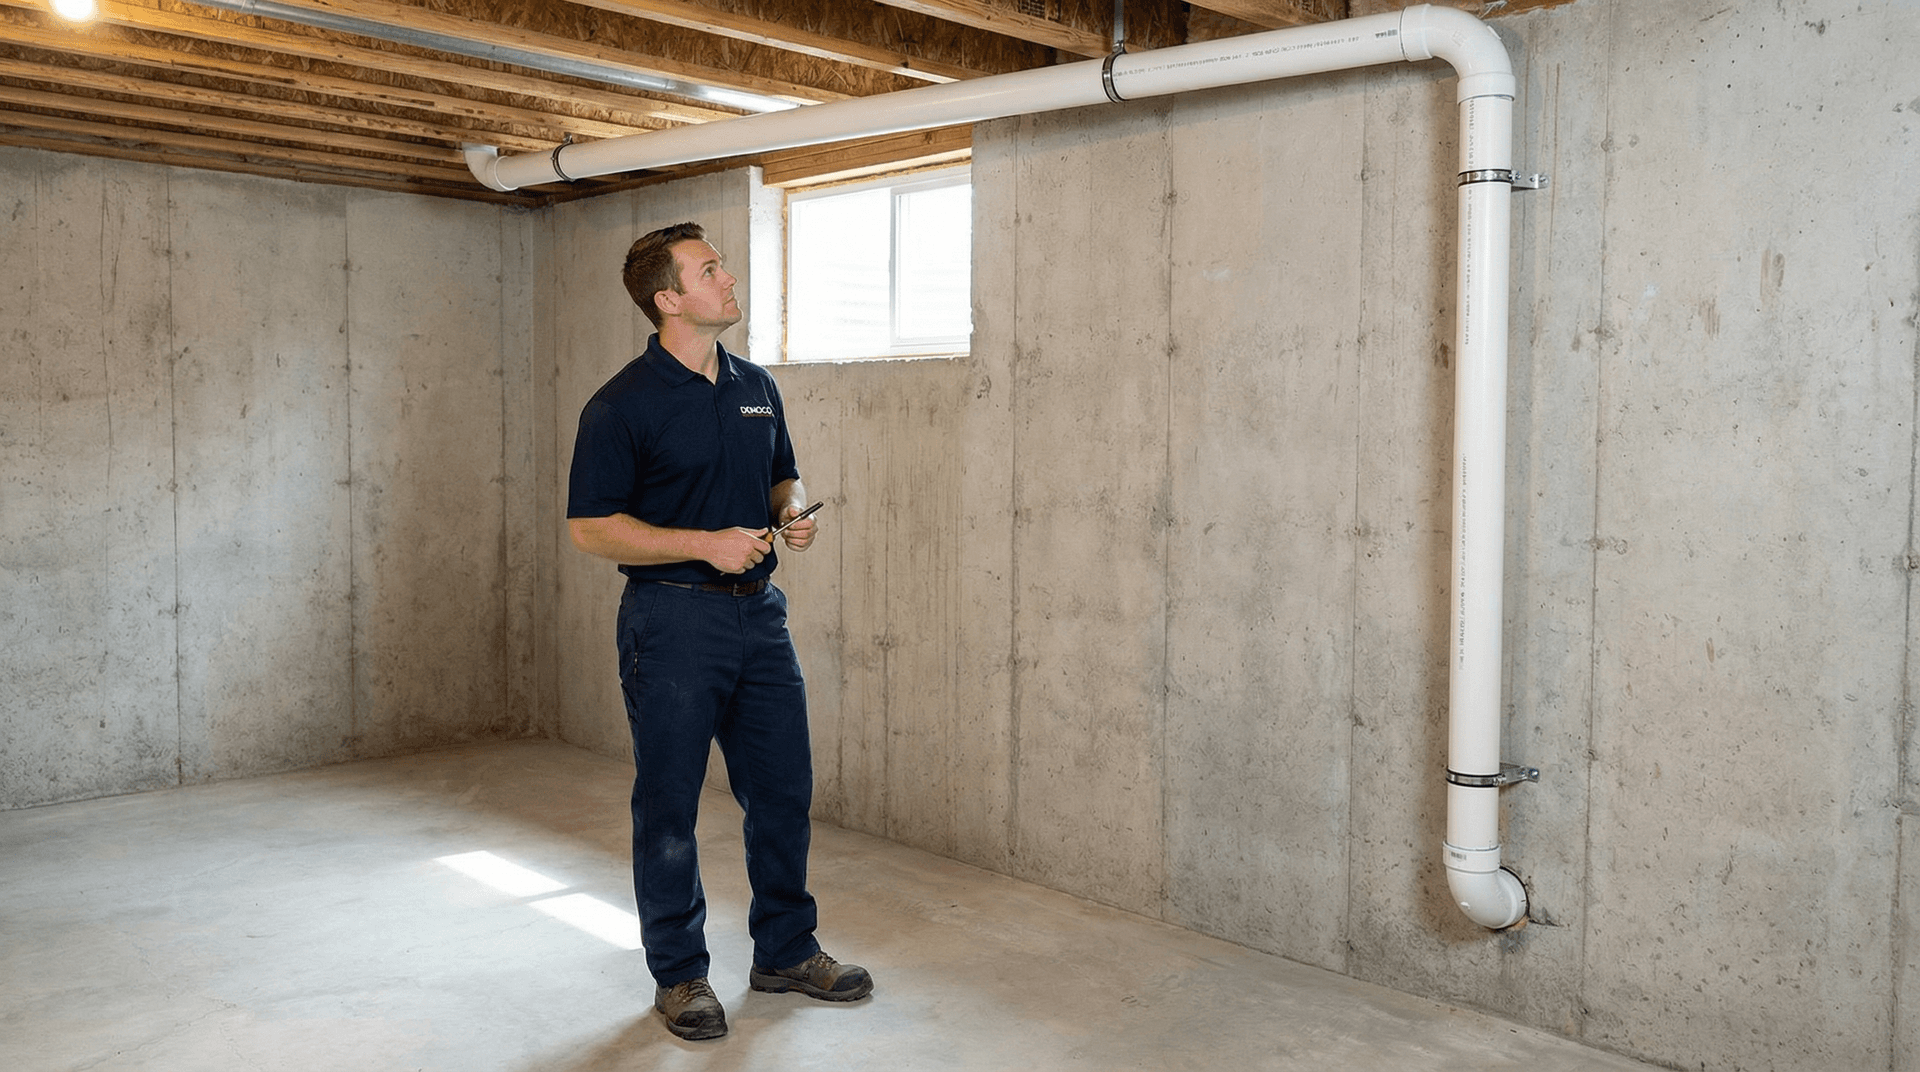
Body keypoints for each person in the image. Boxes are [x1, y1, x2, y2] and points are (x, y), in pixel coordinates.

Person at [566, 222, 872, 1041]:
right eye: (709, 270)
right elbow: (591, 529)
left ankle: (786, 950)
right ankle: (681, 975)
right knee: (668, 805)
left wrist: (790, 514)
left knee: (782, 791)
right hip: (670, 621)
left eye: (723, 266)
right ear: (669, 300)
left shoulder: (753, 384)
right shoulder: (619, 405)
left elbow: (782, 472)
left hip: (758, 618)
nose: (728, 278)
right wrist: (704, 543)